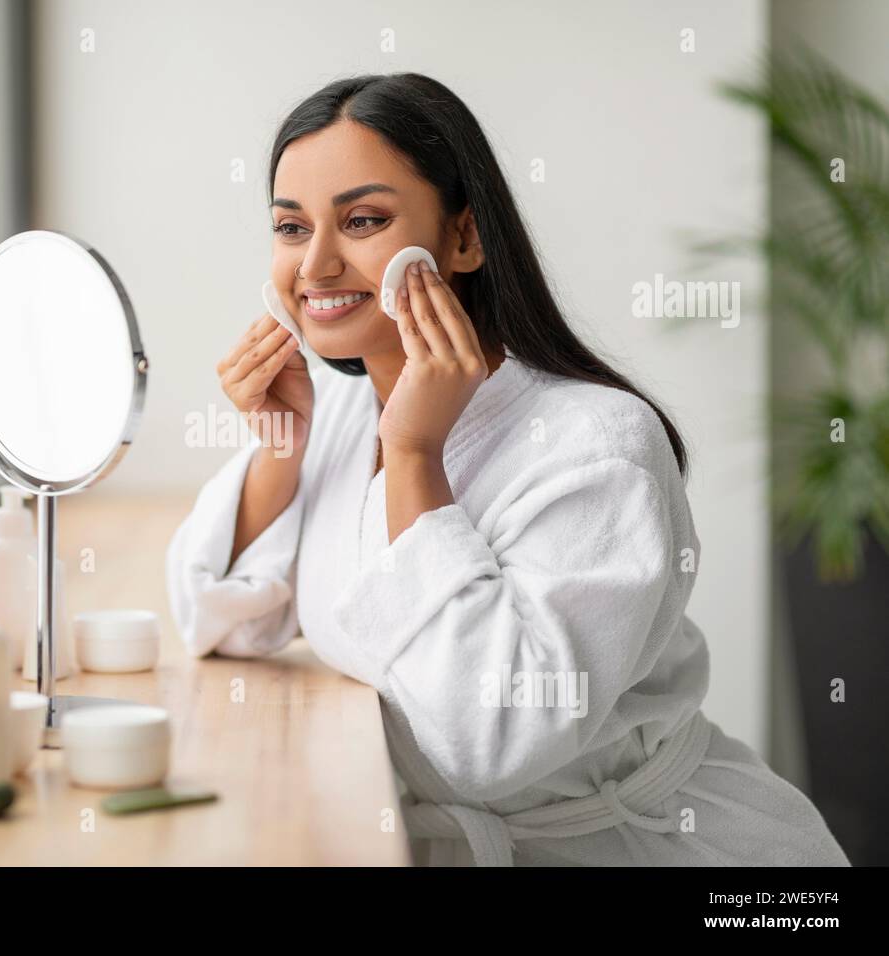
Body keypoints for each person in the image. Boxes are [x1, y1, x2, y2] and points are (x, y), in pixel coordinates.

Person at [165, 72, 848, 866]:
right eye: (290, 227)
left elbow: (489, 741)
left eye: (362, 220)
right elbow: (216, 623)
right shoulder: (342, 420)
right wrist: (282, 454)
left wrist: (417, 459)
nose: (316, 265)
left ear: (463, 237)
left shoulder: (596, 445)